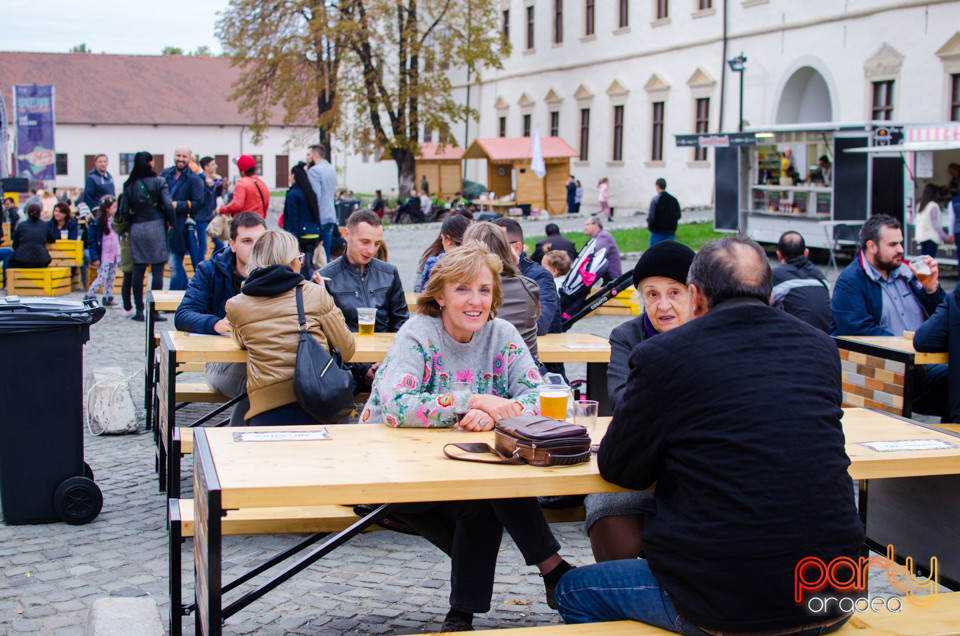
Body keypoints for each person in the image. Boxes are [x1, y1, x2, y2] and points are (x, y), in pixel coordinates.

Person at [556, 236, 864, 635]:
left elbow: (620, 469)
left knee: (569, 591)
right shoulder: (821, 347)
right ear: (769, 294)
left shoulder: (664, 355)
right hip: (836, 593)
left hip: (723, 604)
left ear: (695, 296)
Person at [360, 242, 573, 632]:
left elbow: (542, 398)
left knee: (487, 488)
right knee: (489, 487)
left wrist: (490, 414)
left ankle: (462, 614)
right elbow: (396, 404)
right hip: (394, 478)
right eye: (462, 289)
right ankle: (553, 571)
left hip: (458, 476)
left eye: (485, 290)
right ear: (439, 295)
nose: (475, 300)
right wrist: (472, 400)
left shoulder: (501, 334)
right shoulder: (418, 333)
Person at [583, 240, 695, 564]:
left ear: (694, 295)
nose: (663, 306)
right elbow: (620, 402)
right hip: (638, 459)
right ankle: (625, 594)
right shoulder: (627, 335)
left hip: (694, 464)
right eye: (652, 294)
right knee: (605, 506)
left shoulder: (709, 333)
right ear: (641, 298)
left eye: (674, 292)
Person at [225, 229, 355, 425]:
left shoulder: (236, 305)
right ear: (292, 261)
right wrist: (327, 300)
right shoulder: (314, 294)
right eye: (299, 257)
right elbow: (346, 349)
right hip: (321, 403)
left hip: (266, 411)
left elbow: (241, 341)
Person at [831, 214, 948, 418]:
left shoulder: (908, 272)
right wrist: (906, 354)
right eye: (893, 244)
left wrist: (932, 289)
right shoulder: (850, 281)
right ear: (872, 246)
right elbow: (857, 330)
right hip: (884, 372)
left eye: (901, 243)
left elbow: (946, 316)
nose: (901, 250)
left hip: (922, 364)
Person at [175, 212, 268, 425]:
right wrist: (216, 324)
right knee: (265, 380)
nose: (254, 248)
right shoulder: (210, 270)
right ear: (232, 244)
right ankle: (237, 439)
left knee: (290, 378)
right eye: (246, 241)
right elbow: (183, 314)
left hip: (264, 358)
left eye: (260, 241)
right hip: (223, 361)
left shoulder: (276, 270)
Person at [320, 209, 409, 392]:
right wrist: (363, 368)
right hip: (345, 366)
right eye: (365, 242)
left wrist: (383, 363)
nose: (371, 250)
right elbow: (327, 335)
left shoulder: (389, 273)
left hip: (386, 363)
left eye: (377, 243)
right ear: (347, 234)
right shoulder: (326, 277)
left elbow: (401, 324)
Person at [462, 221, 540, 358]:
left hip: (476, 368)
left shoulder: (461, 290)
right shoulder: (528, 287)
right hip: (523, 366)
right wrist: (514, 267)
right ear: (506, 249)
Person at [123, 151, 175, 322]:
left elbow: (123, 211)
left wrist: (134, 220)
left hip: (138, 227)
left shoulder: (129, 185)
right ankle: (154, 311)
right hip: (156, 227)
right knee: (157, 271)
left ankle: (139, 310)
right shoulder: (159, 182)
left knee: (138, 271)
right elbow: (168, 205)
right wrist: (171, 221)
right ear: (150, 163)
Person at [493, 217, 561, 335]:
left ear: (517, 248)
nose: (488, 250)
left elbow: (540, 325)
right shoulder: (488, 274)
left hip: (534, 349)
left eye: (497, 245)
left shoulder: (539, 276)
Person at [162, 146, 205, 290]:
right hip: (164, 224)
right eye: (178, 155)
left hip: (180, 226)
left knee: (174, 264)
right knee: (174, 264)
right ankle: (187, 292)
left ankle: (172, 297)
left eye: (184, 156)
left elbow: (198, 203)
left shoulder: (194, 178)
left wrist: (177, 205)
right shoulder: (165, 174)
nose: (180, 159)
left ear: (189, 158)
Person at [770, 231, 830, 333]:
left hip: (792, 339)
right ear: (806, 253)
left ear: (779, 255)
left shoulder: (774, 276)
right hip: (824, 339)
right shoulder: (822, 278)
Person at [282, 163, 321, 280]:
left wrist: (291, 238)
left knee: (300, 265)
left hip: (301, 234)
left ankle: (305, 285)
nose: (289, 177)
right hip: (314, 233)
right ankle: (313, 280)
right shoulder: (310, 192)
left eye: (289, 174)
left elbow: (293, 218)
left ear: (293, 175)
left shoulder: (293, 194)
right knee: (308, 262)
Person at [415, 213, 470, 292]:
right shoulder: (480, 261)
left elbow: (422, 292)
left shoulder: (434, 263)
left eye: (442, 238)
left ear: (448, 240)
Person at [84, 195, 121, 306]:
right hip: (104, 255)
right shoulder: (97, 223)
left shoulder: (115, 221)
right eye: (114, 207)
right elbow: (92, 242)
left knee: (111, 277)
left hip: (114, 254)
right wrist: (95, 257)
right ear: (107, 208)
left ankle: (108, 296)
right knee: (102, 277)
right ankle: (90, 294)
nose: (116, 209)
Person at [306, 145, 338, 261]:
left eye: (309, 154)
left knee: (318, 254)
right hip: (331, 214)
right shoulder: (331, 168)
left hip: (320, 215)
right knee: (327, 251)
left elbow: (315, 196)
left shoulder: (314, 171)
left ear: (315, 155)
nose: (307, 158)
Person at [6, 202, 57, 272]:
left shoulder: (21, 225)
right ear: (40, 214)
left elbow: (15, 245)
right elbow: (52, 240)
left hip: (21, 259)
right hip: (41, 260)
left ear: (27, 213)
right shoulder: (44, 225)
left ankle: (6, 281)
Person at [219, 154, 269, 219]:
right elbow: (266, 204)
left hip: (244, 223)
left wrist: (222, 209)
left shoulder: (241, 183)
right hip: (259, 221)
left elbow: (237, 205)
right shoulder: (262, 184)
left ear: (242, 172)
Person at [194, 156, 225, 259]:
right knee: (203, 247)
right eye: (213, 164)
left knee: (220, 244)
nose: (216, 166)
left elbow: (218, 194)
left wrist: (219, 183)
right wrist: (209, 186)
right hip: (201, 218)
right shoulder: (199, 179)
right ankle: (199, 270)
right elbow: (201, 198)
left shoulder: (213, 179)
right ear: (206, 167)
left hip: (212, 217)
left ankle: (210, 264)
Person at [913, 183, 951, 258]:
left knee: (924, 259)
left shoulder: (920, 205)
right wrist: (945, 237)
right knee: (929, 260)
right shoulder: (933, 205)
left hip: (922, 236)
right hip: (931, 237)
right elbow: (935, 224)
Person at [583, 216, 621, 283]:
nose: (585, 227)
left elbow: (595, 252)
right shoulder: (599, 237)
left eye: (587, 224)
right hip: (606, 277)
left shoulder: (603, 236)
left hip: (611, 279)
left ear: (596, 225)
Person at [647, 178, 681, 245]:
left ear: (657, 186)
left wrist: (650, 226)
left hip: (657, 232)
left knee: (654, 253)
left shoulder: (655, 200)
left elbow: (651, 216)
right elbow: (678, 215)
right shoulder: (674, 200)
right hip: (670, 232)